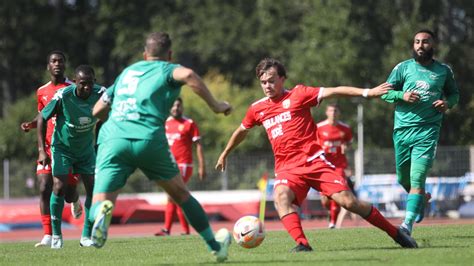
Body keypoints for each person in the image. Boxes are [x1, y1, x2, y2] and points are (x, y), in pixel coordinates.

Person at [216, 58, 418, 252]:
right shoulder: (257, 109)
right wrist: (225, 152)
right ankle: (302, 244)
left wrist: (368, 92)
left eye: (271, 80)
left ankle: (396, 234)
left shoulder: (298, 94)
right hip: (287, 169)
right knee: (280, 196)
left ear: (282, 78)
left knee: (349, 203)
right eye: (263, 82)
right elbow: (242, 130)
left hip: (315, 163)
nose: (267, 86)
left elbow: (334, 91)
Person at [89, 32, 232, 262]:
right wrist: (216, 106)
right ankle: (215, 247)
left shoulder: (126, 73)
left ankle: (101, 212)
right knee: (181, 195)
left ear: (144, 54)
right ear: (169, 55)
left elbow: (97, 111)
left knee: (99, 201)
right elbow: (188, 74)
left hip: (113, 139)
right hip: (148, 139)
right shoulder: (166, 69)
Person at [381, 29, 459, 235]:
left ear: (432, 45)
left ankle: (407, 225)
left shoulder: (443, 71)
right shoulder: (403, 68)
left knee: (417, 178)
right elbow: (385, 93)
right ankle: (421, 199)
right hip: (402, 130)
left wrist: (447, 103)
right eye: (416, 42)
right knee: (402, 179)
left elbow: (454, 94)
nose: (420, 46)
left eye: (425, 42)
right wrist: (402, 95)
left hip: (428, 131)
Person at [20, 51, 83, 247]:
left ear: (65, 65)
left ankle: (75, 200)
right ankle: (48, 235)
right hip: (47, 148)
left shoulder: (73, 88)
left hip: (67, 147)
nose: (57, 64)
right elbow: (43, 117)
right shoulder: (42, 91)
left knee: (67, 192)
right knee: (43, 187)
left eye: (61, 61)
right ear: (48, 66)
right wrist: (32, 124)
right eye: (53, 61)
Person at [37, 65, 104, 248]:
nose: (86, 88)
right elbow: (42, 118)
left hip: (85, 150)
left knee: (92, 188)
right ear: (75, 82)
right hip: (62, 148)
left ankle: (85, 236)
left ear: (94, 82)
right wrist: (42, 150)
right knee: (59, 186)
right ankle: (56, 236)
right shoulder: (63, 96)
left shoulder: (101, 94)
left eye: (90, 83)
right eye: (82, 84)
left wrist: (99, 143)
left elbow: (109, 117)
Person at [155, 97, 206, 236]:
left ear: (182, 107)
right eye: (173, 106)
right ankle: (185, 230)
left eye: (178, 105)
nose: (175, 108)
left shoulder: (189, 123)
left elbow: (199, 145)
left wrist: (202, 166)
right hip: (169, 165)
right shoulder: (165, 123)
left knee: (173, 194)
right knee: (176, 196)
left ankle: (168, 229)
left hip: (184, 164)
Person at [316, 103, 353, 229]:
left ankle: (332, 222)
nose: (333, 113)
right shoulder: (319, 128)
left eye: (335, 111)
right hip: (324, 165)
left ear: (339, 113)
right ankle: (331, 212)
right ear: (327, 112)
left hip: (339, 165)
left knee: (337, 192)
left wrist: (345, 147)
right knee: (325, 199)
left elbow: (349, 143)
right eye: (331, 111)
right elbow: (313, 144)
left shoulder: (345, 128)